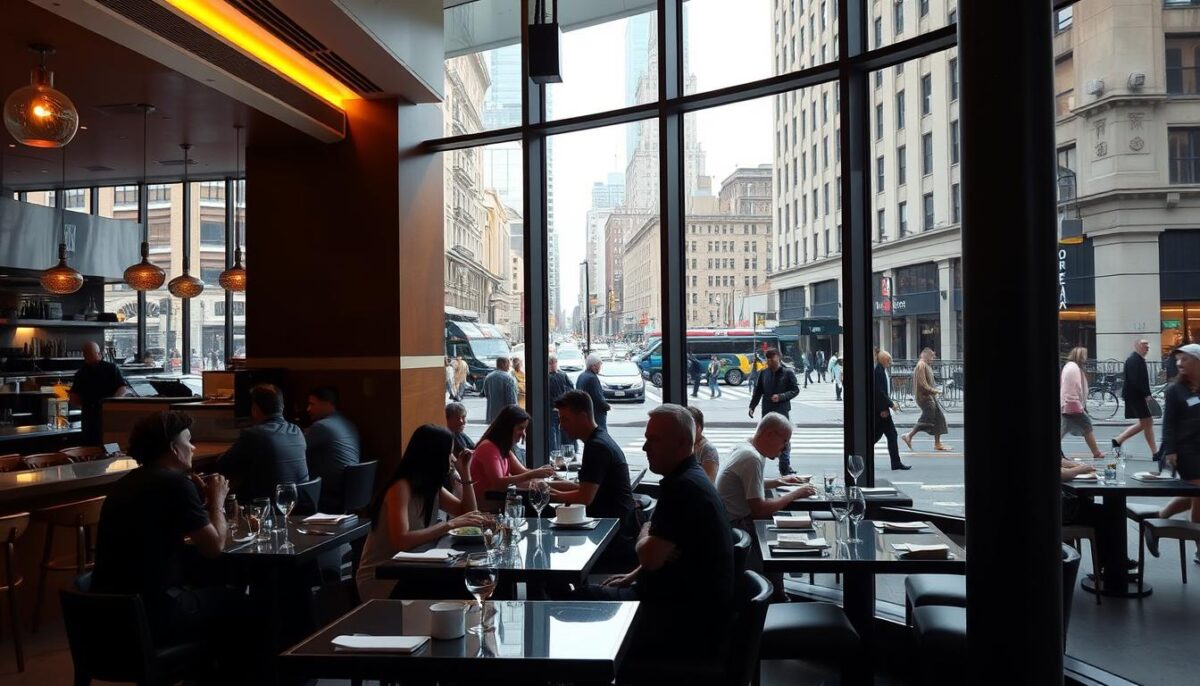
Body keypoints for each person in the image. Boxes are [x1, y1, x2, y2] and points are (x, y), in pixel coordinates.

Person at [576, 405, 734, 657]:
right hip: (691, 610)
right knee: (583, 594)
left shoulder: (681, 488)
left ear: (681, 443)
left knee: (573, 599)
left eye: (653, 440)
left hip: (678, 621)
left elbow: (649, 556)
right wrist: (634, 573)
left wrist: (646, 529)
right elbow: (666, 548)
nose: (644, 447)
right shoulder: (692, 478)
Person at [91, 411, 239, 644]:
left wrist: (199, 505)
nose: (193, 447)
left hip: (112, 613)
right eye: (188, 441)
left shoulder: (125, 483)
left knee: (209, 579)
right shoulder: (175, 484)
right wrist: (216, 502)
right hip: (155, 612)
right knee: (241, 600)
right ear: (173, 448)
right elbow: (214, 548)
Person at [357, 425, 491, 601]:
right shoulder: (401, 488)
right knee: (468, 585)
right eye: (448, 453)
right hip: (384, 579)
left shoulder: (431, 486)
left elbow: (468, 513)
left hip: (414, 568)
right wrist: (448, 525)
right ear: (434, 456)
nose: (452, 459)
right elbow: (401, 541)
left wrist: (465, 472)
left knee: (476, 581)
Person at [550, 390, 638, 568]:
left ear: (582, 417)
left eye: (565, 419)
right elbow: (584, 487)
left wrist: (549, 496)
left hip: (613, 538)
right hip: (619, 528)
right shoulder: (599, 439)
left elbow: (584, 497)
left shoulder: (596, 447)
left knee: (553, 549)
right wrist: (549, 485)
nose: (561, 426)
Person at [716, 412, 817, 534]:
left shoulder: (745, 447)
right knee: (803, 530)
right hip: (736, 527)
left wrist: (780, 481)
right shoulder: (751, 458)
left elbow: (747, 485)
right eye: (784, 441)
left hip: (727, 522)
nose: (785, 448)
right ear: (769, 434)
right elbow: (760, 511)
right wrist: (796, 494)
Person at [1145, 343, 1200, 561]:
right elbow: (1168, 423)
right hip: (1184, 451)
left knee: (1193, 495)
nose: (1179, 363)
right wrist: (1170, 451)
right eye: (1178, 359)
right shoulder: (1175, 390)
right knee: (1198, 495)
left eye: (1185, 359)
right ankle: (1199, 547)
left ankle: (1158, 520)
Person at [216, 384, 310, 501]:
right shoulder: (297, 431)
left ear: (255, 408)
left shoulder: (254, 434)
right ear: (282, 407)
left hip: (265, 505)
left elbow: (223, 465)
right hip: (298, 503)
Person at [468, 405, 556, 510]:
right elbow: (498, 483)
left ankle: (571, 492)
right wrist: (534, 474)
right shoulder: (488, 447)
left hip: (501, 504)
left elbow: (522, 472)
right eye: (520, 428)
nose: (523, 434)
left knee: (545, 488)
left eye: (524, 429)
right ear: (507, 428)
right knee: (545, 496)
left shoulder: (501, 447)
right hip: (488, 510)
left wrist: (541, 472)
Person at [304, 386, 361, 513]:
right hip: (353, 490)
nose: (308, 409)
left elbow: (296, 448)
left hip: (331, 494)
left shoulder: (322, 426)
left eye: (312, 404)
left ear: (327, 404)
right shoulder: (347, 422)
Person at [748, 348, 800, 476]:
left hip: (782, 412)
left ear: (778, 358)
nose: (770, 361)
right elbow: (758, 391)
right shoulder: (764, 373)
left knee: (784, 440)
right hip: (767, 412)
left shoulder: (788, 372)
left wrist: (781, 396)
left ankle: (784, 467)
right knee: (763, 438)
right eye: (768, 359)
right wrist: (752, 406)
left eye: (772, 358)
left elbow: (795, 390)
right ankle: (756, 466)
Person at [69, 341, 130, 445]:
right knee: (109, 444)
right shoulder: (111, 368)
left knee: (90, 446)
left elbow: (74, 398)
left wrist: (85, 405)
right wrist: (111, 404)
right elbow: (122, 388)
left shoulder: (81, 373)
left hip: (89, 416)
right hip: (107, 415)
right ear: (98, 353)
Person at [1114, 338, 1158, 458]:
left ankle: (1118, 440)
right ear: (1137, 346)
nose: (1147, 348)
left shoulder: (1137, 359)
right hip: (1135, 396)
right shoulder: (1133, 360)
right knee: (1147, 422)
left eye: (1147, 346)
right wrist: (1146, 394)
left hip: (1136, 396)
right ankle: (1155, 453)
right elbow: (1136, 381)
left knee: (1146, 422)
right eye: (1144, 346)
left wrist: (1146, 393)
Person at [902, 348, 952, 453]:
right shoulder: (921, 365)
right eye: (931, 356)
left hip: (930, 397)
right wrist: (935, 391)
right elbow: (923, 384)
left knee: (939, 418)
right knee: (926, 420)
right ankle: (909, 435)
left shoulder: (926, 365)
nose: (933, 359)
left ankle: (937, 443)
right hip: (925, 398)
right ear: (925, 355)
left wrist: (934, 392)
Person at [1059, 347, 1105, 459]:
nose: (1086, 358)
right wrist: (1075, 402)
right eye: (1084, 355)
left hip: (1069, 404)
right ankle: (1096, 453)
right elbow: (1073, 387)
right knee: (1086, 425)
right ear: (1080, 356)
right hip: (1072, 404)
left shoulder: (1070, 366)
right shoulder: (1073, 368)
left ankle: (1096, 453)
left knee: (1064, 428)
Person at [873, 351, 910, 470]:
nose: (891, 362)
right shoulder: (878, 371)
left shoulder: (882, 370)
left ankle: (896, 463)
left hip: (882, 409)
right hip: (881, 410)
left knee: (888, 435)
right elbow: (879, 392)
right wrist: (888, 405)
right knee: (889, 434)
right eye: (889, 360)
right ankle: (895, 463)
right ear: (883, 360)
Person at [576, 355, 612, 430]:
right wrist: (607, 406)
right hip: (596, 413)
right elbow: (597, 397)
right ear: (593, 366)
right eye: (599, 365)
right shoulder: (592, 378)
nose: (600, 367)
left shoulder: (581, 376)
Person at [547, 354, 575, 452]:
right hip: (554, 409)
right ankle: (557, 452)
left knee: (560, 431)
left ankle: (563, 452)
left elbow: (571, 389)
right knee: (554, 432)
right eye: (550, 363)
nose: (552, 365)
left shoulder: (561, 375)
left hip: (560, 408)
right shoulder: (548, 377)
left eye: (554, 362)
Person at [687, 405, 721, 482]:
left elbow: (709, 481)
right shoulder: (686, 445)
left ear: (698, 427)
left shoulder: (708, 450)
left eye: (688, 425)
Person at [481, 357, 518, 424]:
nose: (509, 367)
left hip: (491, 417)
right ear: (503, 364)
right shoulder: (509, 378)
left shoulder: (488, 377)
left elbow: (485, 393)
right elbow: (512, 399)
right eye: (508, 364)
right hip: (505, 417)